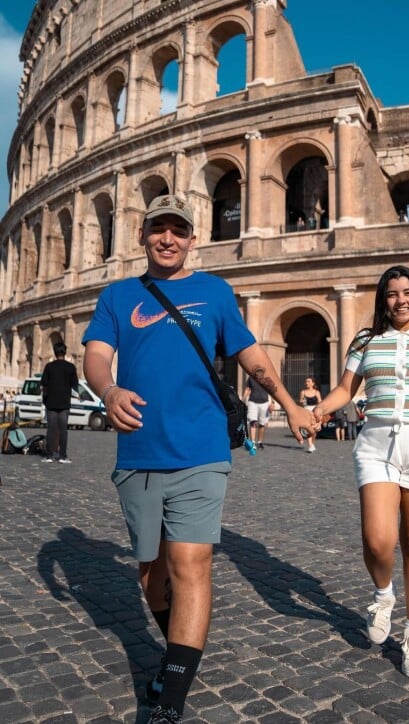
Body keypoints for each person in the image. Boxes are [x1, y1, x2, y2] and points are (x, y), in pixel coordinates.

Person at [82, 194, 315, 724]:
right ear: (142, 236)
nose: (168, 238)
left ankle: (170, 701)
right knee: (150, 575)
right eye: (158, 229)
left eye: (178, 230)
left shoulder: (213, 292)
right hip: (138, 448)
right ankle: (178, 653)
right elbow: (95, 355)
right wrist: (109, 391)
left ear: (193, 239)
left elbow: (252, 357)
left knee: (192, 563)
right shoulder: (119, 296)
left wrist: (289, 406)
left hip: (201, 448)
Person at [312, 265, 409, 679]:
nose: (401, 300)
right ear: (383, 300)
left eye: (408, 292)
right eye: (393, 294)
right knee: (377, 541)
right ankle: (383, 596)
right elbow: (347, 389)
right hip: (377, 442)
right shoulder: (366, 339)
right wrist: (319, 410)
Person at [40, 341, 79, 463]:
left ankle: (49, 455)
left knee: (51, 429)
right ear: (65, 352)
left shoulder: (49, 367)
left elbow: (43, 384)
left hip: (51, 403)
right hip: (64, 403)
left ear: (55, 352)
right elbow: (75, 384)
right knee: (63, 430)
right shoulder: (71, 367)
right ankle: (63, 456)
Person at [243, 376, 274, 451]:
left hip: (264, 403)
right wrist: (243, 400)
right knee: (253, 422)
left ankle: (259, 442)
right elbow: (247, 389)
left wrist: (272, 402)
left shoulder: (267, 378)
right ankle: (253, 442)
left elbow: (271, 390)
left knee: (262, 424)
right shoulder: (251, 378)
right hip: (252, 402)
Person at [299, 377, 322, 452]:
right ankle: (310, 445)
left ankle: (312, 443)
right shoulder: (303, 392)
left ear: (313, 383)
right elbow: (300, 401)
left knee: (314, 429)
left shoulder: (316, 392)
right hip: (306, 411)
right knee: (308, 429)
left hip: (314, 411)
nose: (307, 383)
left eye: (308, 381)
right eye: (306, 382)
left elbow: (320, 402)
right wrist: (302, 402)